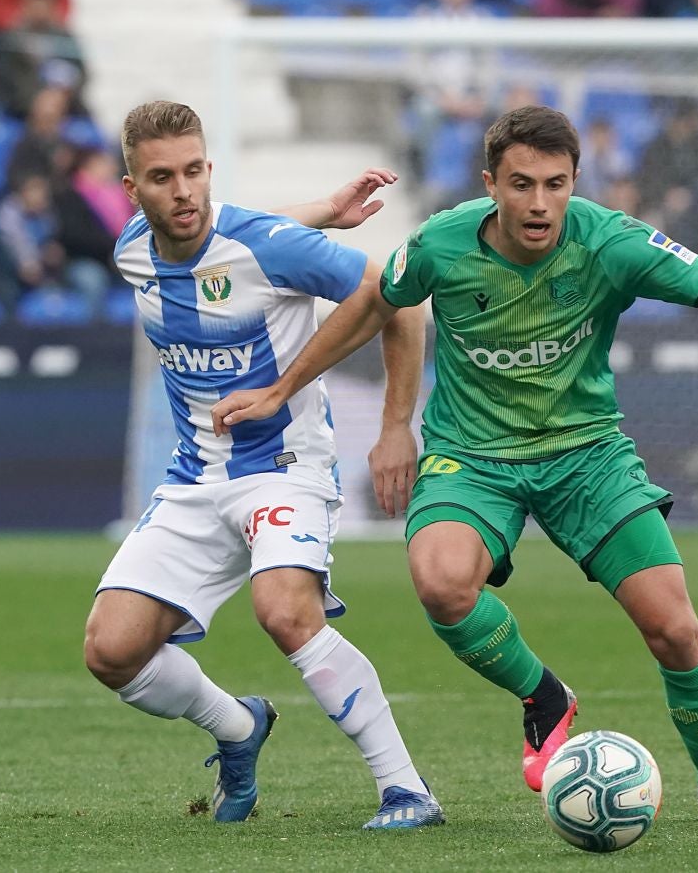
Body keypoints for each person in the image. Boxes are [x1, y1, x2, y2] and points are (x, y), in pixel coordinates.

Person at [212, 104, 698, 824]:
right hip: (472, 457)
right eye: (522, 184)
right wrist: (293, 392)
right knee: (441, 582)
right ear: (491, 183)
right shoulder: (441, 244)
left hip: (587, 456)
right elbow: (377, 305)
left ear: (576, 181)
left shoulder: (610, 241)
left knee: (673, 628)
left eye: (556, 184)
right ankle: (544, 695)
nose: (540, 202)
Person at [81, 101, 442, 830]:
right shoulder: (130, 250)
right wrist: (318, 211)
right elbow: (226, 239)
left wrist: (396, 426)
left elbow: (399, 299)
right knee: (111, 651)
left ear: (208, 169)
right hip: (195, 478)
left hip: (285, 466)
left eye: (193, 172)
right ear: (133, 190)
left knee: (283, 611)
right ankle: (239, 727)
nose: (182, 191)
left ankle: (407, 789)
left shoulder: (266, 245)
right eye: (161, 178)